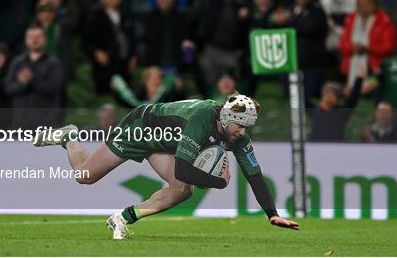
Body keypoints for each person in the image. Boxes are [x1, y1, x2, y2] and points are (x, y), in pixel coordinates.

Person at [33, 94, 299, 239]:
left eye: (247, 127)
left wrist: (271, 213)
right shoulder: (202, 120)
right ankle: (69, 137)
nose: (243, 132)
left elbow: (254, 174)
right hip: (142, 127)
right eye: (240, 125)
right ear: (227, 118)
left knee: (183, 190)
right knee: (85, 176)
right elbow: (184, 169)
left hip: (166, 142)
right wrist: (219, 182)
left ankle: (121, 219)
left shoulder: (237, 134)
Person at [4, 25, 64, 129]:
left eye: (38, 37)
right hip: (20, 122)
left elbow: (55, 88)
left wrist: (32, 80)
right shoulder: (17, 63)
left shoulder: (53, 63)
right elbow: (8, 89)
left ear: (45, 39)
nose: (35, 40)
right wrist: (22, 84)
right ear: (26, 40)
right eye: (31, 37)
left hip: (45, 123)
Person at [340, 0, 397, 89]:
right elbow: (342, 44)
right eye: (361, 2)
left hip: (375, 66)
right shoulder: (351, 19)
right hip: (352, 62)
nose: (363, 5)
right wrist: (353, 48)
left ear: (374, 3)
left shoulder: (384, 21)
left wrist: (368, 48)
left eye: (367, 2)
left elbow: (388, 47)